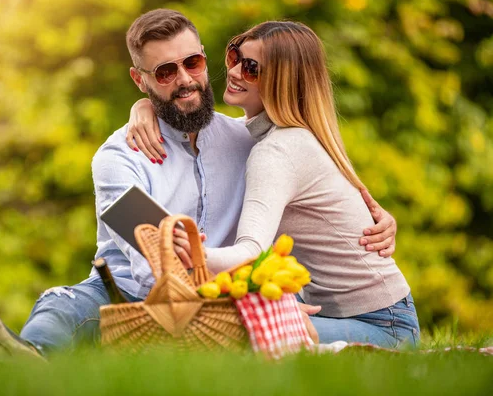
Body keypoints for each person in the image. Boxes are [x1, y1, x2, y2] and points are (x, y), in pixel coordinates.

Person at [0, 9, 397, 359]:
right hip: (135, 294)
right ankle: (25, 359)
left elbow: (311, 175)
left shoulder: (246, 140)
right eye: (164, 72)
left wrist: (376, 213)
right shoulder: (118, 159)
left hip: (218, 299)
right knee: (64, 306)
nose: (185, 80)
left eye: (192, 62)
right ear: (140, 80)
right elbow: (155, 264)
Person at [128, 20, 419, 348]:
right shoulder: (266, 135)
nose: (236, 71)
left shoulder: (277, 150)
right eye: (235, 56)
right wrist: (145, 106)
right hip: (357, 314)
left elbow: (251, 252)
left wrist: (191, 253)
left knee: (222, 336)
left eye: (251, 68)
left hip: (383, 324)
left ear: (282, 80)